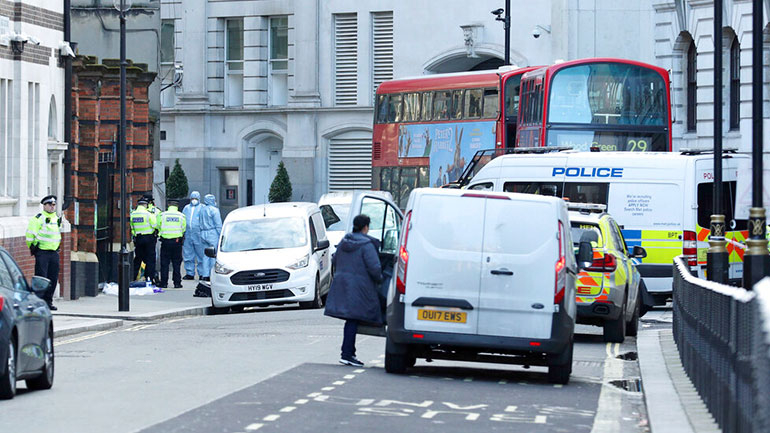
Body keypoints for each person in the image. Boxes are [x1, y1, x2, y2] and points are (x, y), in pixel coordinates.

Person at [324, 214, 383, 367]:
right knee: (354, 319)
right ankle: (347, 354)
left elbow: (335, 260)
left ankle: (349, 352)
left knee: (352, 320)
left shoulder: (345, 242)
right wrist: (380, 280)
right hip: (360, 287)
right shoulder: (366, 245)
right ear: (365, 227)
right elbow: (375, 268)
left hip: (343, 285)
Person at [25, 195, 62, 310]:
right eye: (50, 205)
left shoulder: (56, 218)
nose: (52, 207)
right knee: (42, 278)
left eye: (54, 205)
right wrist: (34, 248)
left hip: (54, 253)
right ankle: (39, 302)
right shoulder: (38, 218)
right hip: (42, 253)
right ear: (44, 206)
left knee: (53, 278)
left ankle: (48, 302)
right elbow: (30, 235)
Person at [157, 199, 187, 288]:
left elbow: (158, 226)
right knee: (176, 263)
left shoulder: (162, 215)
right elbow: (184, 228)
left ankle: (164, 283)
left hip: (165, 242)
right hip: (177, 242)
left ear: (168, 205)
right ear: (177, 206)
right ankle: (177, 283)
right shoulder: (181, 216)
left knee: (164, 263)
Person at [130, 196, 158, 282]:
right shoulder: (148, 214)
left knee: (138, 258)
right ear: (145, 205)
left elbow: (132, 227)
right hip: (149, 238)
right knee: (150, 259)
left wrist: (136, 234)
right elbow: (155, 225)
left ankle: (133, 277)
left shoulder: (133, 214)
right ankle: (149, 277)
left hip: (138, 238)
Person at [199, 194, 222, 281]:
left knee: (205, 255)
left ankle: (205, 274)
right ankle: (212, 274)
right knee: (213, 255)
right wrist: (221, 235)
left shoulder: (202, 210)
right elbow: (218, 224)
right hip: (212, 233)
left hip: (203, 233)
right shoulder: (214, 210)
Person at [182, 191, 205, 280]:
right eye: (192, 198)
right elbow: (183, 219)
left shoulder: (202, 208)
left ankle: (202, 273)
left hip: (198, 234)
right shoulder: (186, 208)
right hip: (188, 234)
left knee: (201, 255)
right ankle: (189, 273)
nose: (194, 200)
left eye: (196, 199)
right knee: (188, 254)